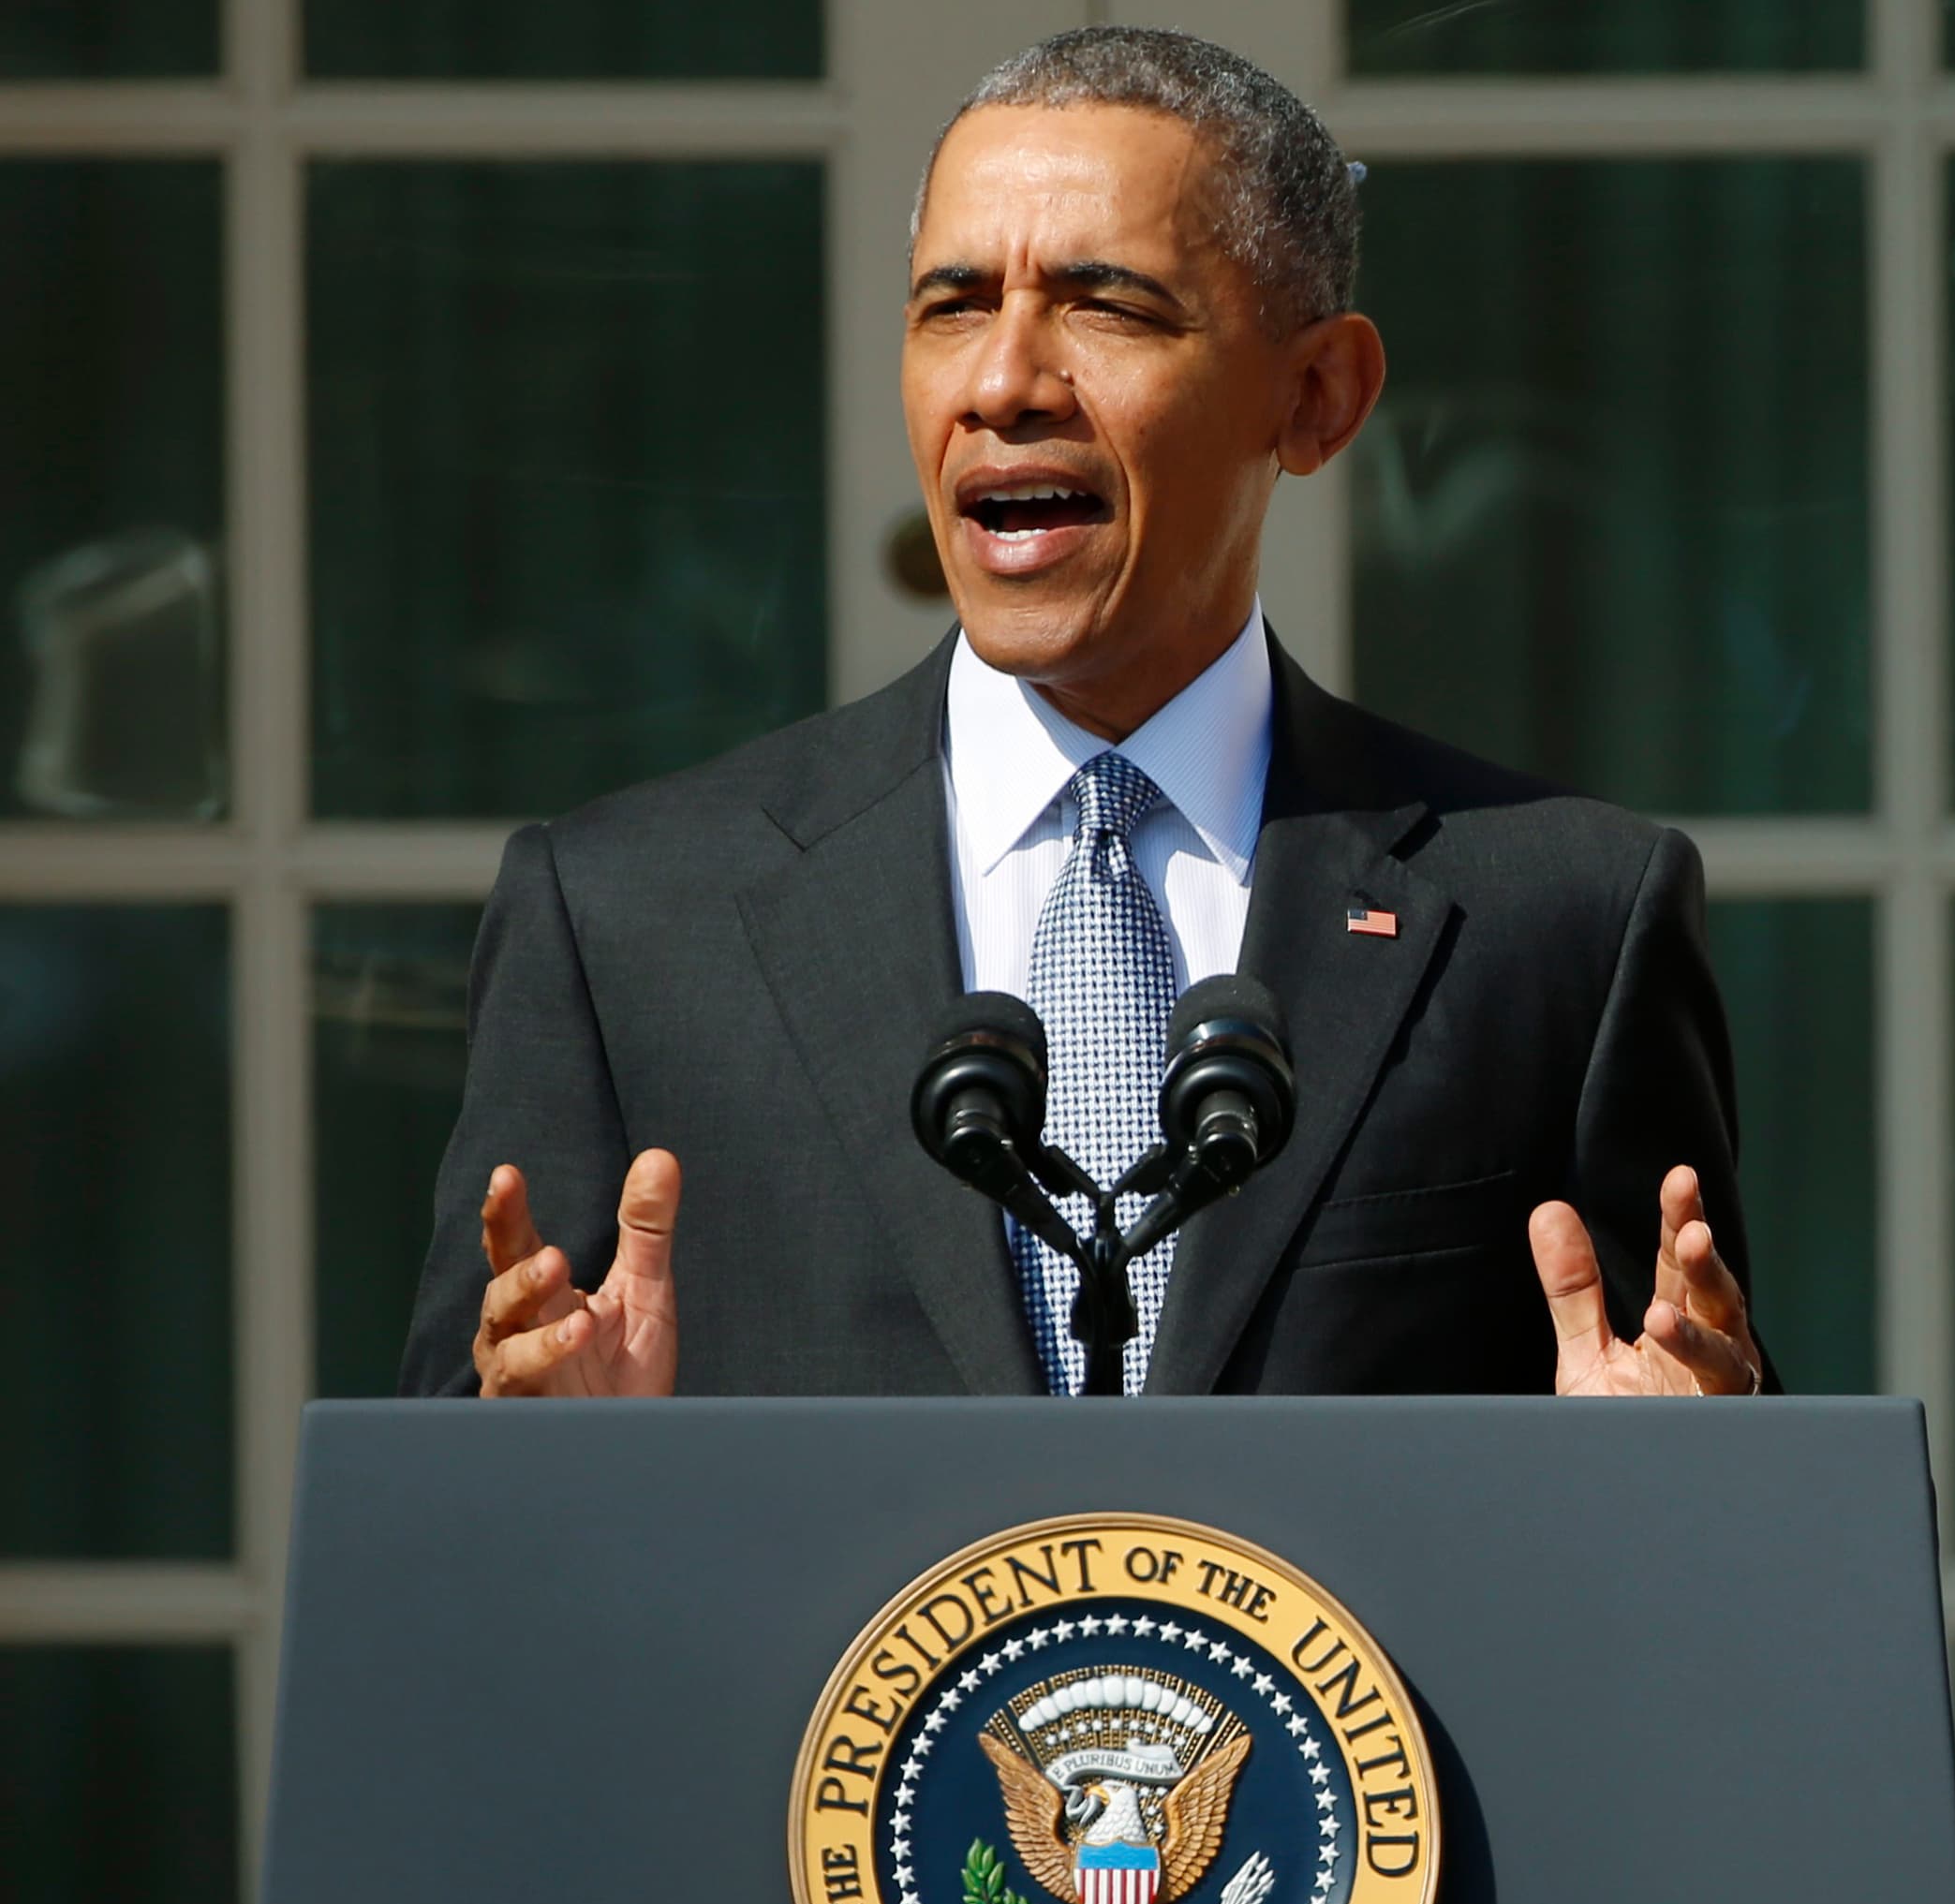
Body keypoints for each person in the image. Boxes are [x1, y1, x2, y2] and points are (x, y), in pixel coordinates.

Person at [396, 27, 1759, 1403]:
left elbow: (1710, 1505)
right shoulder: (626, 921)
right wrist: (559, 1475)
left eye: (1106, 306)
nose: (1003, 384)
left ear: (1317, 394)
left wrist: (1689, 1470)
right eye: (953, 305)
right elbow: (450, 1546)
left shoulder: (1564, 922)